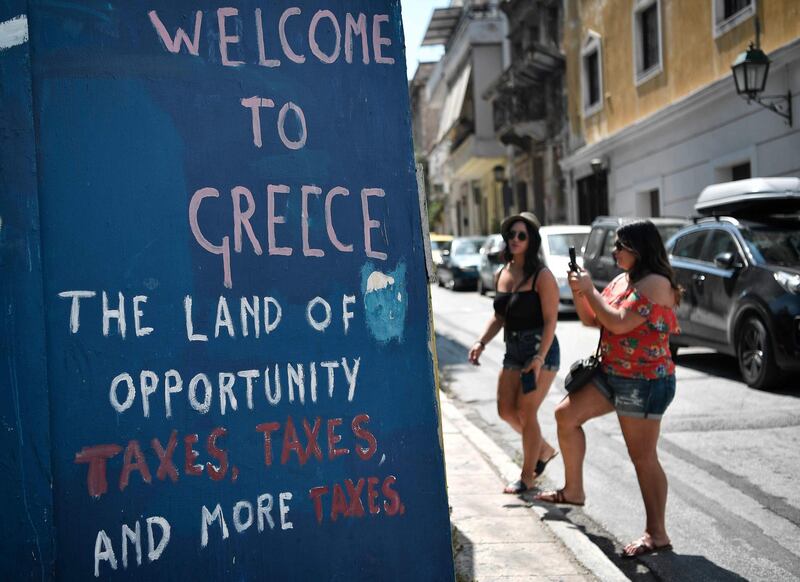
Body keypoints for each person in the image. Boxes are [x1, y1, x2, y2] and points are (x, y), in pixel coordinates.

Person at [535, 220, 681, 558]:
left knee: (642, 456)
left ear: (639, 249)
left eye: (620, 245)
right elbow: (593, 319)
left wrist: (591, 289)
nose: (613, 251)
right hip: (612, 372)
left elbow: (617, 321)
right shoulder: (622, 279)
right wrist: (579, 290)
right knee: (566, 415)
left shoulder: (656, 283)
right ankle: (573, 491)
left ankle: (657, 533)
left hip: (643, 380)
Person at [468, 212, 561, 494]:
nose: (515, 239)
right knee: (506, 410)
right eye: (511, 235)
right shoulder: (502, 273)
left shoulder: (542, 276)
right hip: (513, 348)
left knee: (526, 410)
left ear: (531, 240)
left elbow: (550, 322)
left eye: (522, 235)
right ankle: (542, 449)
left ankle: (527, 477)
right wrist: (481, 342)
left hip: (539, 349)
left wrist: (539, 358)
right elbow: (499, 316)